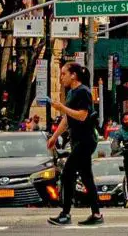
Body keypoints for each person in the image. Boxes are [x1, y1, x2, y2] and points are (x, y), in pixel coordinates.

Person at [46, 62, 104, 227]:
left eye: (63, 73)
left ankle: (65, 213)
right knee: (86, 177)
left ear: (73, 75)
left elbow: (82, 116)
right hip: (78, 140)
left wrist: (62, 107)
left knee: (67, 173)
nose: (61, 77)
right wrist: (54, 136)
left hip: (85, 140)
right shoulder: (72, 93)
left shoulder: (83, 91)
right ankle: (96, 213)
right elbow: (67, 119)